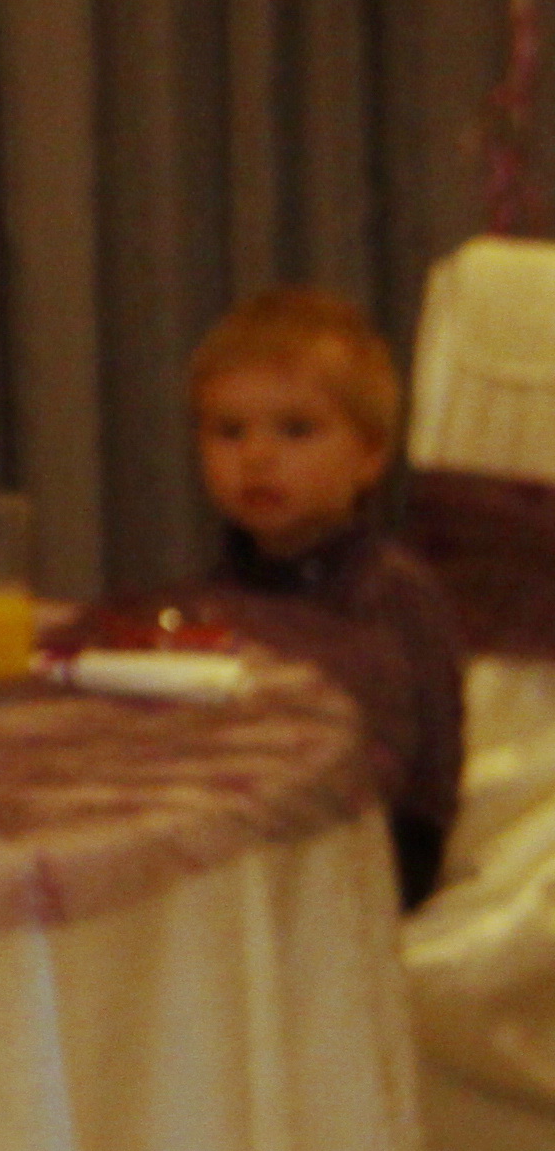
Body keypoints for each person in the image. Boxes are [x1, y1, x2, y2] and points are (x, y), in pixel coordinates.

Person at [172, 288, 464, 905]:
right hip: (248, 846)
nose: (257, 457)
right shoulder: (209, 598)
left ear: (369, 455)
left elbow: (431, 761)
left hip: (369, 852)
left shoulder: (396, 593)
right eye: (230, 432)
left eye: (296, 430)